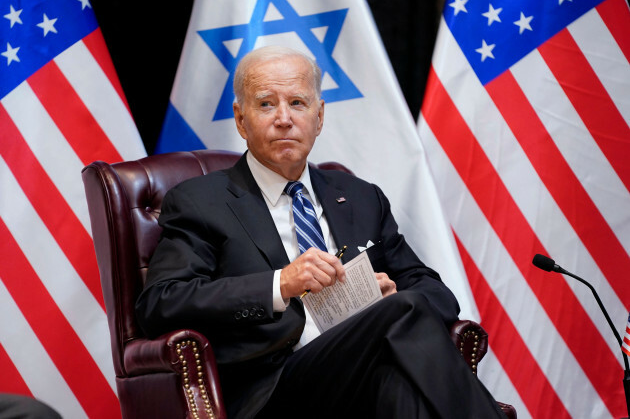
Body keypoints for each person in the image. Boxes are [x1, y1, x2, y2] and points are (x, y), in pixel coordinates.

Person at [136, 46, 506, 418]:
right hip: (274, 388)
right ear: (240, 119)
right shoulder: (201, 201)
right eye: (266, 105)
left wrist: (390, 296)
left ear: (319, 116)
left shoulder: (361, 198)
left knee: (398, 379)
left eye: (297, 102)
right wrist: (280, 284)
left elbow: (436, 294)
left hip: (364, 375)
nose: (284, 119)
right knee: (401, 315)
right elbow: (162, 303)